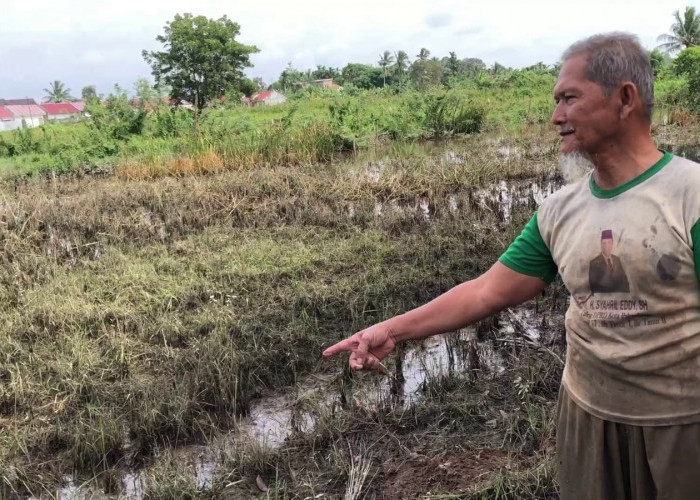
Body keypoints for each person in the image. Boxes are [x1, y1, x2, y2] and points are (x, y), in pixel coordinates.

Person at [323, 32, 700, 500]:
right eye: (555, 101)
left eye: (569, 98)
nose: (555, 116)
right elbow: (487, 291)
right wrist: (393, 330)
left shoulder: (690, 197)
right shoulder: (560, 210)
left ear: (625, 98)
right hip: (587, 416)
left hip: (680, 425)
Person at [589, 229, 630, 293]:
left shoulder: (617, 260)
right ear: (601, 244)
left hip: (619, 299)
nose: (606, 246)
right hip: (604, 300)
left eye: (609, 242)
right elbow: (594, 288)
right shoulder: (594, 263)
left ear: (612, 243)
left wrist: (623, 297)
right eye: (604, 243)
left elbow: (625, 282)